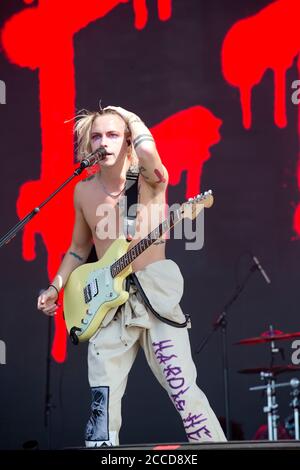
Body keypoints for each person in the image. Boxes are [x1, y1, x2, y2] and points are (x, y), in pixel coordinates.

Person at [37, 105, 226, 446]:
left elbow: (149, 153)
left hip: (153, 294)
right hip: (108, 306)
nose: (103, 142)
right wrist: (56, 286)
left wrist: (132, 119)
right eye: (96, 135)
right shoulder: (83, 191)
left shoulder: (150, 179)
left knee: (185, 392)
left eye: (112, 135)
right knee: (102, 404)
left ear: (127, 141)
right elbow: (79, 250)